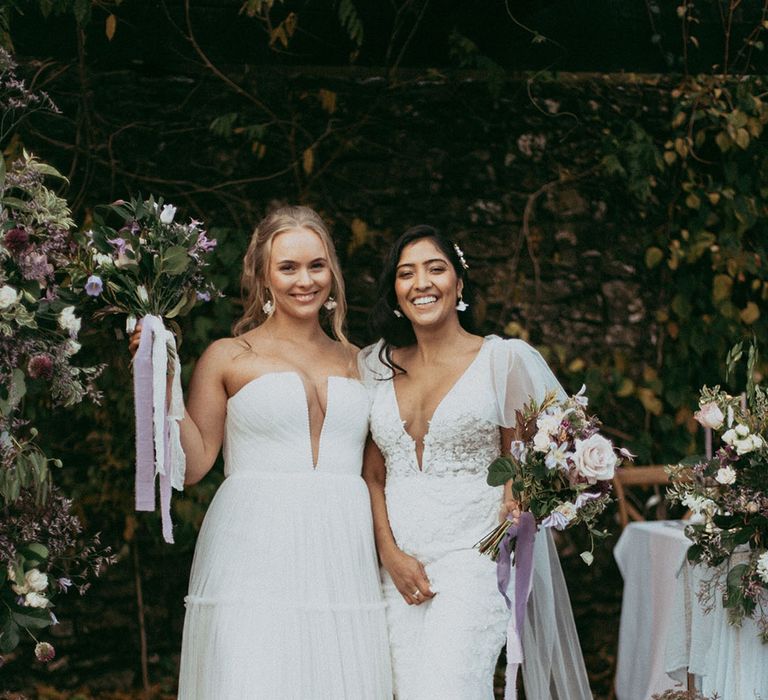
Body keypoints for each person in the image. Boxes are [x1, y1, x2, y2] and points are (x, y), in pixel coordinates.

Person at [130, 206, 392, 699]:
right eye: (288, 268)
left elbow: (379, 472)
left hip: (344, 549)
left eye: (316, 265)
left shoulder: (364, 363)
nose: (304, 280)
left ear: (332, 272)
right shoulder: (230, 356)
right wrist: (162, 380)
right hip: (255, 548)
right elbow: (194, 465)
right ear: (263, 277)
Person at [359, 225, 592, 699]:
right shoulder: (375, 367)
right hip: (395, 566)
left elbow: (535, 456)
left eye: (435, 269)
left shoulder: (502, 360)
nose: (421, 282)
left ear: (459, 284)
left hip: (474, 561)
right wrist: (389, 554)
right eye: (406, 273)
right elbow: (373, 473)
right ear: (395, 292)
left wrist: (519, 492)